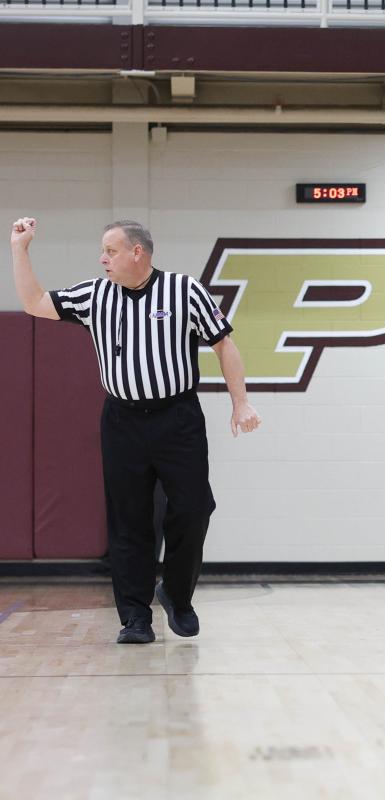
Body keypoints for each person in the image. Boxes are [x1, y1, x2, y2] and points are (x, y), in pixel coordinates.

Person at [9, 217, 260, 644]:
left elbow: (224, 342)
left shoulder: (184, 291)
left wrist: (241, 402)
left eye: (110, 251)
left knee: (195, 508)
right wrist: (20, 249)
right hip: (122, 421)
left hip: (177, 418)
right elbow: (34, 302)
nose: (102, 258)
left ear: (137, 252)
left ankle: (177, 594)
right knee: (129, 521)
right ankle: (135, 618)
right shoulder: (95, 294)